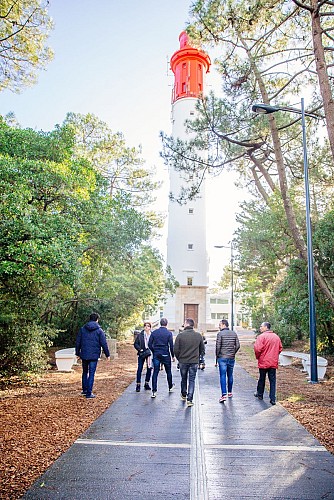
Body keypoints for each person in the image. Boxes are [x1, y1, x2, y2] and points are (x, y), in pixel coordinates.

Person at [75, 312, 110, 399]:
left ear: (89, 319)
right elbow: (104, 343)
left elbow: (78, 342)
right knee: (91, 373)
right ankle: (89, 393)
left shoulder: (83, 329)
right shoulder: (99, 330)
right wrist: (107, 354)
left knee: (85, 372)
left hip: (84, 354)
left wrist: (77, 353)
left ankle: (85, 390)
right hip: (94, 355)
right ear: (97, 320)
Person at [174, 318, 205, 407]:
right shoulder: (198, 336)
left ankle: (184, 394)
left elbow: (176, 349)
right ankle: (190, 398)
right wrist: (198, 357)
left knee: (183, 378)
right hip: (194, 361)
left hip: (183, 361)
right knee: (192, 380)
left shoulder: (180, 336)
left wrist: (179, 358)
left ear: (187, 324)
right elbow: (202, 349)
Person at [254, 321, 283, 405]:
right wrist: (274, 355)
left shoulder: (261, 337)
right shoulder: (276, 337)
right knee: (272, 380)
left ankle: (260, 394)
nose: (260, 328)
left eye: (261, 326)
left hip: (263, 361)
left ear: (266, 327)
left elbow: (257, 349)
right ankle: (272, 398)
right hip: (273, 362)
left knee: (262, 378)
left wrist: (258, 356)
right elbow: (280, 348)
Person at [148, 317, 175, 398]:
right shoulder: (169, 333)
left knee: (155, 372)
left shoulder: (154, 333)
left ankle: (154, 391)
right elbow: (171, 345)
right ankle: (170, 386)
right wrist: (172, 356)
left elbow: (149, 344)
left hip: (157, 354)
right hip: (165, 354)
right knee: (168, 371)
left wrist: (154, 351)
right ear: (166, 324)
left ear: (160, 323)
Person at [216, 319, 240, 403]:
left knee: (222, 375)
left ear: (223, 325)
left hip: (222, 357)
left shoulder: (220, 334)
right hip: (231, 357)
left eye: (219, 324)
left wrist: (217, 356)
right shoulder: (234, 333)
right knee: (230, 375)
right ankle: (230, 392)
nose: (219, 326)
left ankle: (223, 394)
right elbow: (237, 345)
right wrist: (233, 352)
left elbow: (218, 346)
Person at [134, 321, 152, 392]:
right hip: (142, 353)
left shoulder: (152, 335)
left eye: (148, 326)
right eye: (145, 326)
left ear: (150, 327)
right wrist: (140, 349)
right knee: (140, 368)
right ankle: (138, 384)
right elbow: (135, 344)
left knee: (149, 368)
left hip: (149, 353)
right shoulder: (140, 335)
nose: (146, 327)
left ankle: (146, 383)